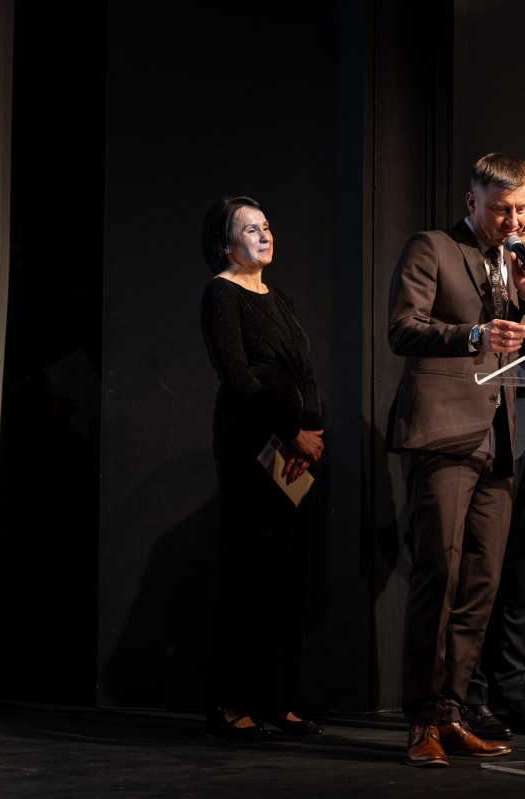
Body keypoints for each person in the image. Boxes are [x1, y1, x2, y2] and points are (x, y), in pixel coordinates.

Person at [387, 153, 525, 767]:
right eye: (502, 209)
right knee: (440, 574)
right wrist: (475, 335)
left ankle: (453, 713)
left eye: (523, 210)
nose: (515, 221)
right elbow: (403, 329)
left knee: (481, 583)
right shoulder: (431, 247)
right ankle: (421, 721)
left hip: (498, 437)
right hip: (443, 432)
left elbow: (515, 349)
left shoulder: (511, 265)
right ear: (471, 201)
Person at [198, 196, 325, 741]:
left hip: (293, 449)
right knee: (248, 566)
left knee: (285, 570)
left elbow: (304, 369)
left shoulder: (279, 297)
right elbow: (237, 374)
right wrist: (290, 431)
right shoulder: (221, 293)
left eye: (266, 226)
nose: (264, 235)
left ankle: (278, 699)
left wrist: (312, 429)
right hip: (251, 440)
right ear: (226, 243)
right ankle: (232, 703)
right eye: (250, 229)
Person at [463, 171, 525, 739]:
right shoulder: (475, 260)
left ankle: (512, 692)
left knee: (523, 571)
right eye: (518, 210)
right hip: (487, 427)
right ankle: (469, 694)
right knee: (481, 571)